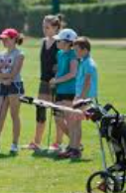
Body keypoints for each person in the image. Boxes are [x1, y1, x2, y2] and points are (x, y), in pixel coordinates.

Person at [27, 15, 62, 151]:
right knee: (40, 109)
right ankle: (37, 142)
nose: (44, 29)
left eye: (47, 27)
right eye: (43, 27)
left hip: (56, 83)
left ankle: (58, 143)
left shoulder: (60, 43)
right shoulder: (43, 41)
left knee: (57, 112)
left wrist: (57, 77)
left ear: (56, 28)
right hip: (43, 82)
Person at [59, 37, 98, 159]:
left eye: (77, 50)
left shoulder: (89, 63)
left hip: (85, 98)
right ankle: (72, 147)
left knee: (75, 121)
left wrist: (80, 98)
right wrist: (77, 96)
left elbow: (87, 82)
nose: (75, 53)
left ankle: (75, 150)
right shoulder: (83, 61)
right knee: (74, 122)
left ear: (85, 50)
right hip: (80, 96)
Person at [49, 28, 78, 152]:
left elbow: (72, 73)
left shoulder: (73, 54)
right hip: (60, 90)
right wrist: (55, 80)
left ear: (67, 42)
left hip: (69, 90)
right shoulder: (59, 54)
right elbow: (60, 70)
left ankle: (74, 145)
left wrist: (56, 81)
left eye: (59, 41)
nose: (57, 43)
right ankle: (75, 142)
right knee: (58, 118)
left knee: (69, 119)